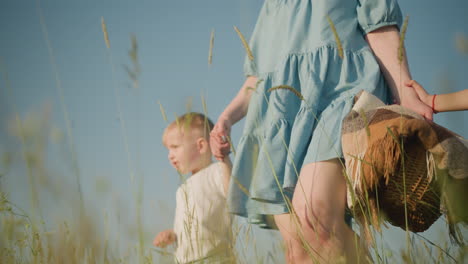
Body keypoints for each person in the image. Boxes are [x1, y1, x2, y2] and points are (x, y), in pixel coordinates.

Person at [209, 0, 432, 263]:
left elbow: (379, 26)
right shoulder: (272, 5)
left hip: (340, 92)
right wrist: (227, 117)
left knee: (315, 221)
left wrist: (406, 93)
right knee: (298, 250)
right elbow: (258, 77)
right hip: (280, 116)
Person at [153, 112, 234, 264]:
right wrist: (172, 235)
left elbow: (232, 191)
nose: (170, 156)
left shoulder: (217, 171)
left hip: (215, 259)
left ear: (201, 146)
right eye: (168, 150)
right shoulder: (182, 189)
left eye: (175, 147)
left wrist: (224, 158)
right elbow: (184, 228)